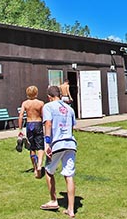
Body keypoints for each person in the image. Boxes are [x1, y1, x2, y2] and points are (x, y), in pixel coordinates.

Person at [40, 86, 77, 218]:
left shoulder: (48, 107)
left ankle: (53, 200)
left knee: (49, 171)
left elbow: (48, 124)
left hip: (57, 144)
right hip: (70, 143)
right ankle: (71, 209)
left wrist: (47, 143)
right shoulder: (70, 108)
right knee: (69, 175)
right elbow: (72, 127)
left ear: (49, 96)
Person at [17, 85, 45, 179]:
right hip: (38, 123)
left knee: (32, 147)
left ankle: (35, 168)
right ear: (36, 93)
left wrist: (20, 129)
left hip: (29, 124)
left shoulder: (25, 103)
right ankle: (40, 164)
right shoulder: (40, 103)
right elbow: (43, 115)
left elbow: (21, 116)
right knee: (40, 147)